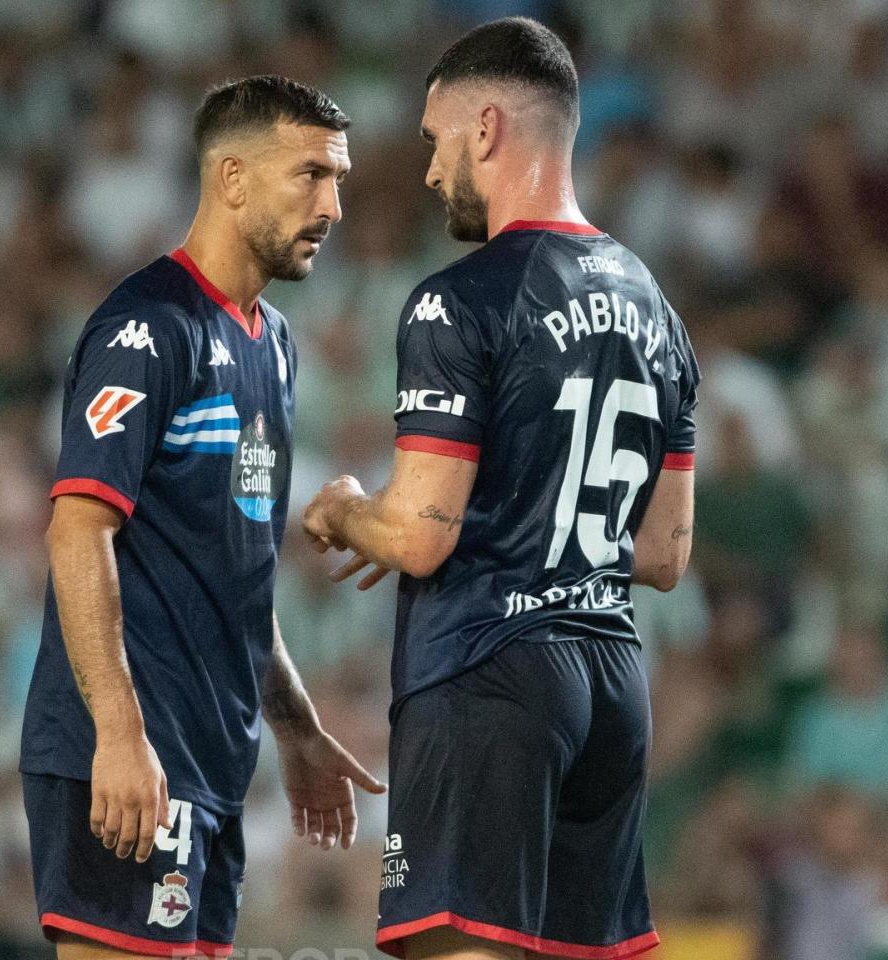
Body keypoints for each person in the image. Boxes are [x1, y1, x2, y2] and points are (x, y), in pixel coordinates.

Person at [302, 19, 700, 960]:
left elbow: (422, 537)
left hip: (491, 674)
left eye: (438, 141)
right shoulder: (655, 305)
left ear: (486, 128)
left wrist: (346, 511)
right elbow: (663, 554)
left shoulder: (461, 298)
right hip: (610, 680)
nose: (432, 172)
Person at [20, 75, 385, 958]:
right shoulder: (148, 328)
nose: (332, 205)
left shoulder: (276, 345)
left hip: (213, 760)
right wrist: (119, 733)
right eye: (310, 175)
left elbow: (240, 567)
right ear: (230, 179)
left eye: (337, 180)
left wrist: (296, 729)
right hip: (129, 753)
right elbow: (77, 531)